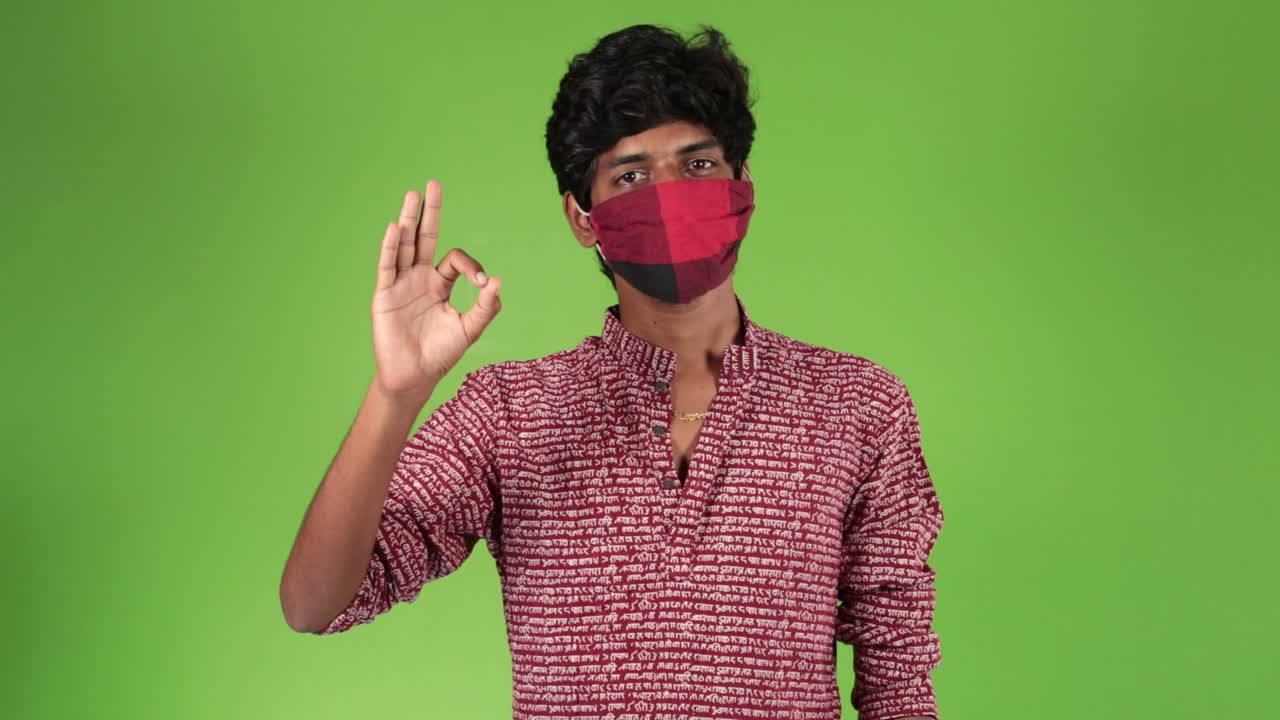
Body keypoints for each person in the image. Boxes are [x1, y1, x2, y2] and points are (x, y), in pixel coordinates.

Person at [279, 23, 945, 720]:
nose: (668, 195)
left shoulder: (860, 406)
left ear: (743, 186)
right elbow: (315, 603)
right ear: (583, 218)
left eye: (697, 165)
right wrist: (397, 392)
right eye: (630, 176)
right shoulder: (509, 410)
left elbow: (898, 683)